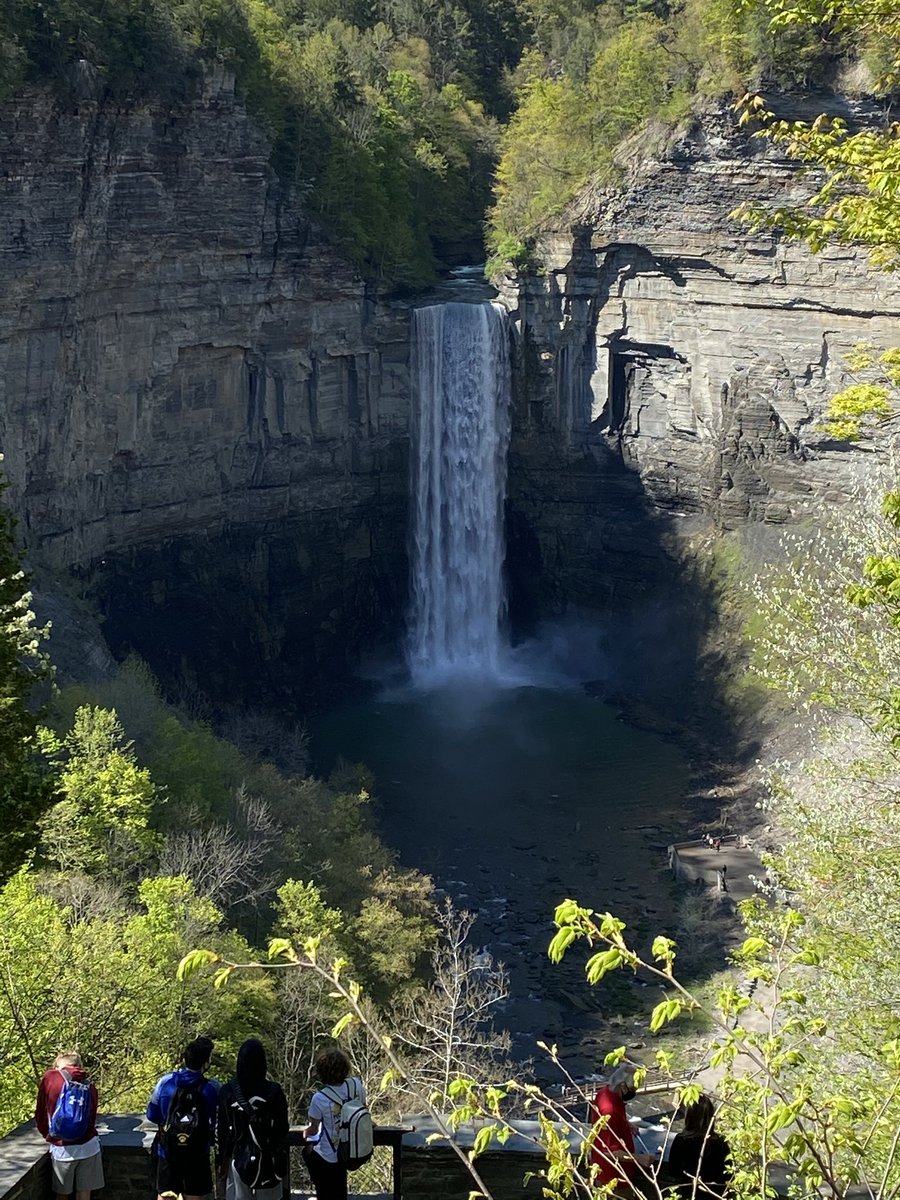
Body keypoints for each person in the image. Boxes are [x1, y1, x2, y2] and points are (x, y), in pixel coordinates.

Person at [147, 1036, 219, 1200]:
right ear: (205, 1063)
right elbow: (216, 1123)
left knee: (166, 1196)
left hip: (168, 1152)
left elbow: (152, 1115)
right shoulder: (212, 1089)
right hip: (197, 1155)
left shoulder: (165, 1083)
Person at [217, 1039, 289, 1200]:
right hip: (269, 1158)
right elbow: (282, 1128)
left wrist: (221, 1161)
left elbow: (222, 1132)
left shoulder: (228, 1091)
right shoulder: (274, 1091)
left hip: (238, 1156)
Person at [35, 1052, 104, 1200]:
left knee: (62, 1193)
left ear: (59, 1065)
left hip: (62, 1148)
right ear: (79, 1065)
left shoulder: (50, 1077)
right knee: (84, 1193)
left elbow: (40, 1111)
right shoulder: (89, 1084)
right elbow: (91, 1117)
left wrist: (48, 1135)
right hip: (89, 1146)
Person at [302, 1048, 367, 1200]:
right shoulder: (356, 1085)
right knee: (340, 1192)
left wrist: (307, 1132)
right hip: (353, 1147)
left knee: (309, 1154)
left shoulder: (319, 1098)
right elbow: (363, 1109)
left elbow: (313, 1128)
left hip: (329, 1153)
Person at [589, 1063, 655, 1193]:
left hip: (604, 1169)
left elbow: (607, 1125)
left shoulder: (604, 1093)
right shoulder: (610, 1111)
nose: (634, 1092)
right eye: (633, 1088)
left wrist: (626, 1124)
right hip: (613, 1177)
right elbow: (608, 1152)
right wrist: (639, 1158)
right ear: (623, 1086)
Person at [668, 1095, 731, 1200]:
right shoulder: (721, 1142)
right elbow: (728, 1173)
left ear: (689, 1115)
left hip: (689, 1193)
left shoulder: (681, 1140)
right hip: (715, 1195)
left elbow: (673, 1171)